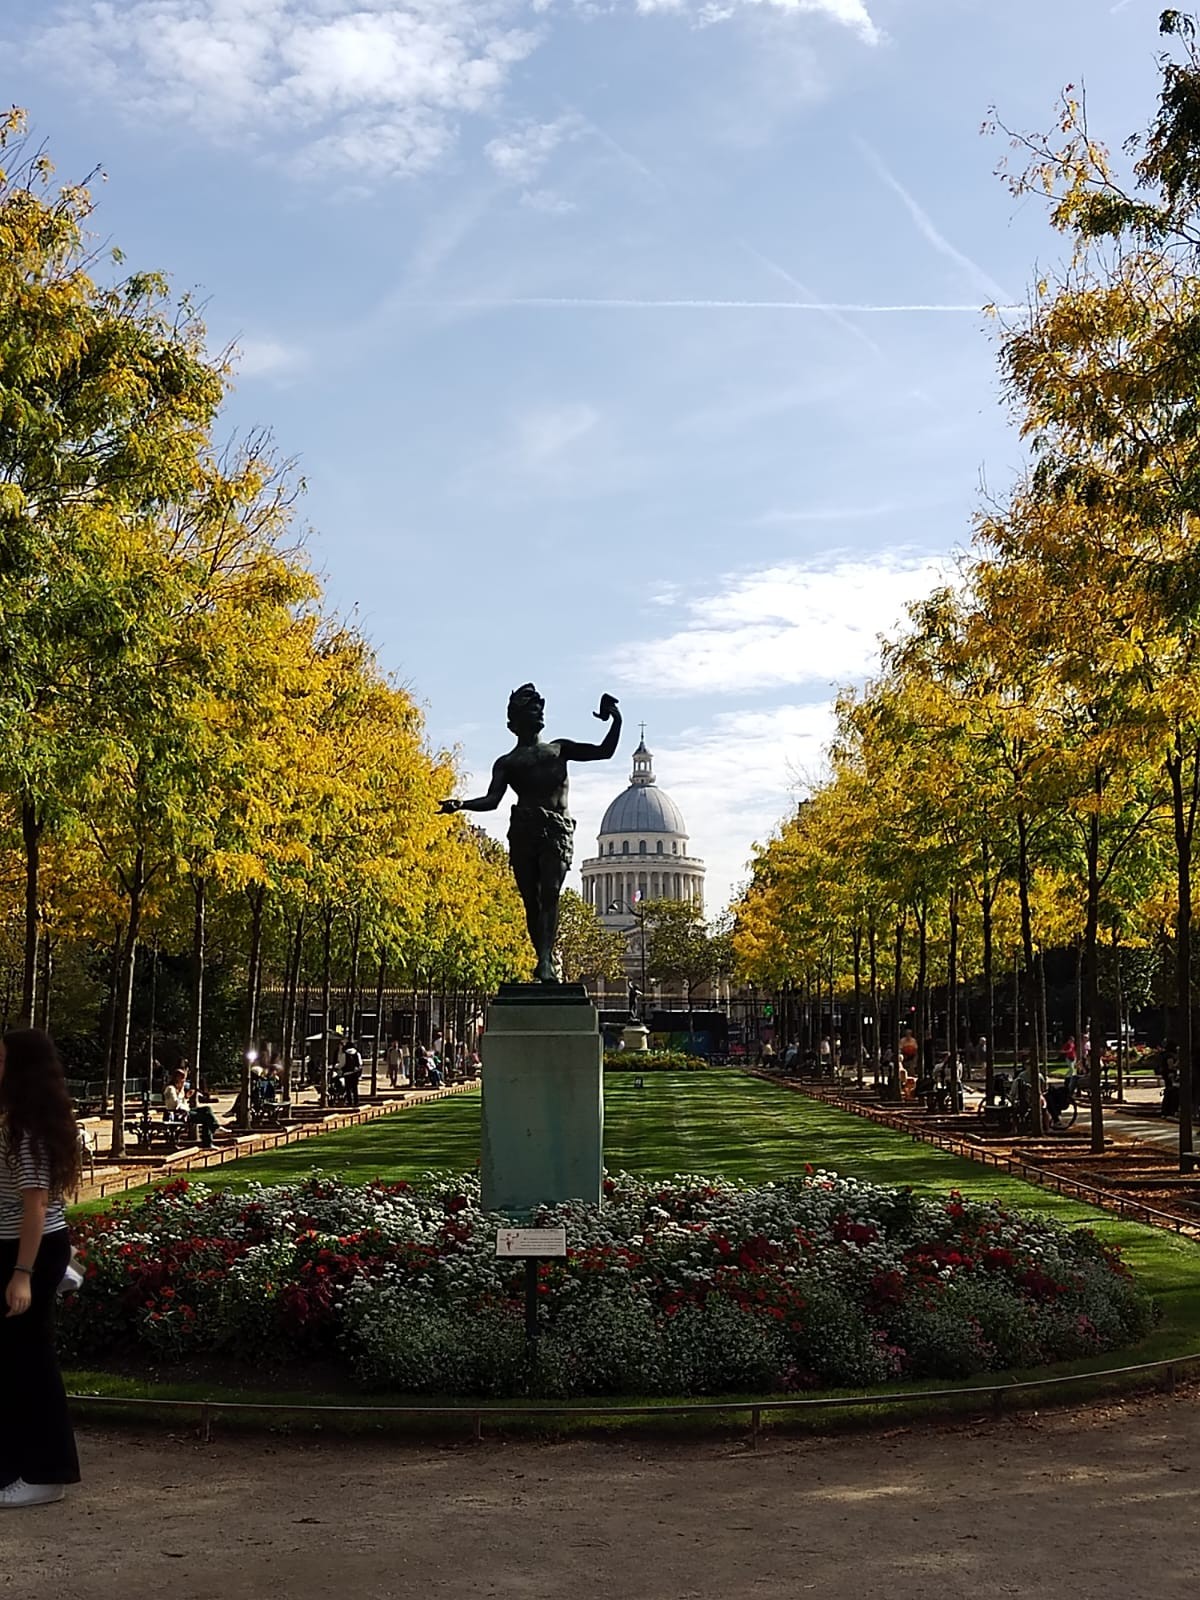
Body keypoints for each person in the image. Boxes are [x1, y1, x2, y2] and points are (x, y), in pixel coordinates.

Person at [0, 1028, 82, 1508]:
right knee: (13, 1361)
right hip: (22, 1248)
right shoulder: (16, 1121)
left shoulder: (26, 1129)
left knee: (29, 1359)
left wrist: (23, 1273)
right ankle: (15, 1465)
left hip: (28, 1251)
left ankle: (46, 1472)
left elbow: (37, 1205)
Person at [164, 1068, 220, 1150]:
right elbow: (174, 1104)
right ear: (177, 1078)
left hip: (185, 1111)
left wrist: (185, 1096)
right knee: (207, 1118)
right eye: (183, 1079)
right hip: (177, 1113)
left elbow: (183, 1103)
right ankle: (209, 1139)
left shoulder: (180, 1088)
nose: (184, 1081)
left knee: (207, 1109)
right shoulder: (170, 1089)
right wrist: (183, 1095)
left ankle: (215, 1126)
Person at [341, 1040, 363, 1108]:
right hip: (355, 1073)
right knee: (355, 1088)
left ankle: (349, 1101)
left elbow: (342, 1064)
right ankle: (356, 1101)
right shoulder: (357, 1053)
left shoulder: (345, 1054)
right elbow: (360, 1064)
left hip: (347, 1073)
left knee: (348, 1088)